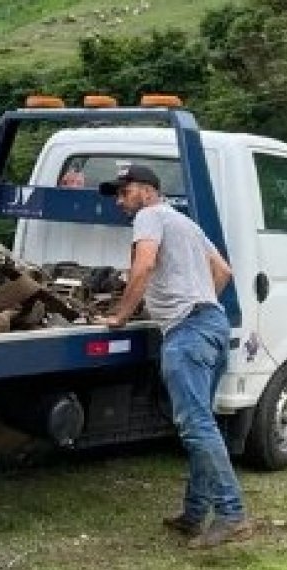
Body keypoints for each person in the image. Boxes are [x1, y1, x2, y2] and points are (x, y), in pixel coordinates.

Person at [97, 164, 250, 548]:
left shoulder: (149, 217)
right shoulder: (186, 223)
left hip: (188, 334)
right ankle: (194, 514)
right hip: (212, 324)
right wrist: (198, 301)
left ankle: (232, 513)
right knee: (204, 422)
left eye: (125, 191)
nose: (120, 201)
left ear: (147, 191)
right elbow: (224, 271)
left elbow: (144, 265)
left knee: (196, 424)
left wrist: (122, 313)